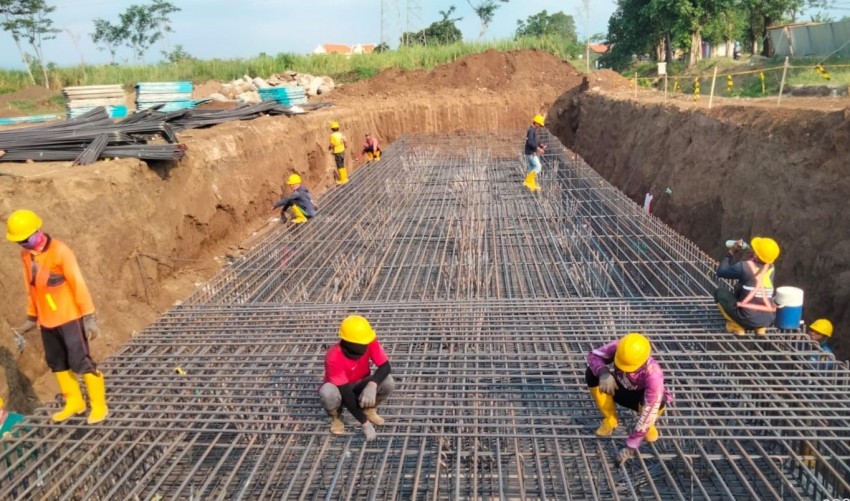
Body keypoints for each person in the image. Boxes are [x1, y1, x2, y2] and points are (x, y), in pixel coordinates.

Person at [5, 209, 108, 425]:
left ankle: (99, 404)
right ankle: (75, 402)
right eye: (19, 242)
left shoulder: (61, 251)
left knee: (81, 361)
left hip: (69, 317)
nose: (23, 244)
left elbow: (77, 283)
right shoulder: (26, 255)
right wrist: (32, 316)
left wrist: (88, 316)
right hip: (47, 321)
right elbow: (30, 287)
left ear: (37, 231)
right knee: (57, 362)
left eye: (25, 239)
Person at [586, 332, 668, 466]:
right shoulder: (620, 347)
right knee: (591, 373)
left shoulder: (654, 374)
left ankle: (648, 427)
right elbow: (593, 355)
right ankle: (610, 419)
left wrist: (631, 446)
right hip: (619, 388)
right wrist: (604, 373)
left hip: (640, 401)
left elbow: (650, 409)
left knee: (658, 403)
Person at [318, 315, 394, 441]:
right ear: (350, 342)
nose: (366, 345)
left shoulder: (368, 340)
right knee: (327, 392)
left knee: (388, 381)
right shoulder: (334, 356)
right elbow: (347, 395)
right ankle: (336, 416)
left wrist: (372, 384)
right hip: (340, 390)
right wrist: (365, 424)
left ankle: (369, 408)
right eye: (362, 343)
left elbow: (385, 367)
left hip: (360, 384)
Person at [714, 237, 779, 336]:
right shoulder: (771, 268)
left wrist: (731, 252)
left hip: (746, 318)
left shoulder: (744, 267)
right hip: (767, 318)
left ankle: (737, 326)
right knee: (753, 294)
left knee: (719, 292)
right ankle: (760, 328)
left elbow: (721, 271)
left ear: (756, 255)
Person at [522, 114, 546, 192]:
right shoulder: (531, 130)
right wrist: (538, 149)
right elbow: (530, 142)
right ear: (536, 123)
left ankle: (531, 185)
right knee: (538, 167)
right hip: (531, 153)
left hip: (530, 152)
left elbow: (535, 140)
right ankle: (527, 182)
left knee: (532, 168)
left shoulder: (533, 130)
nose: (540, 127)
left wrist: (540, 144)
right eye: (539, 125)